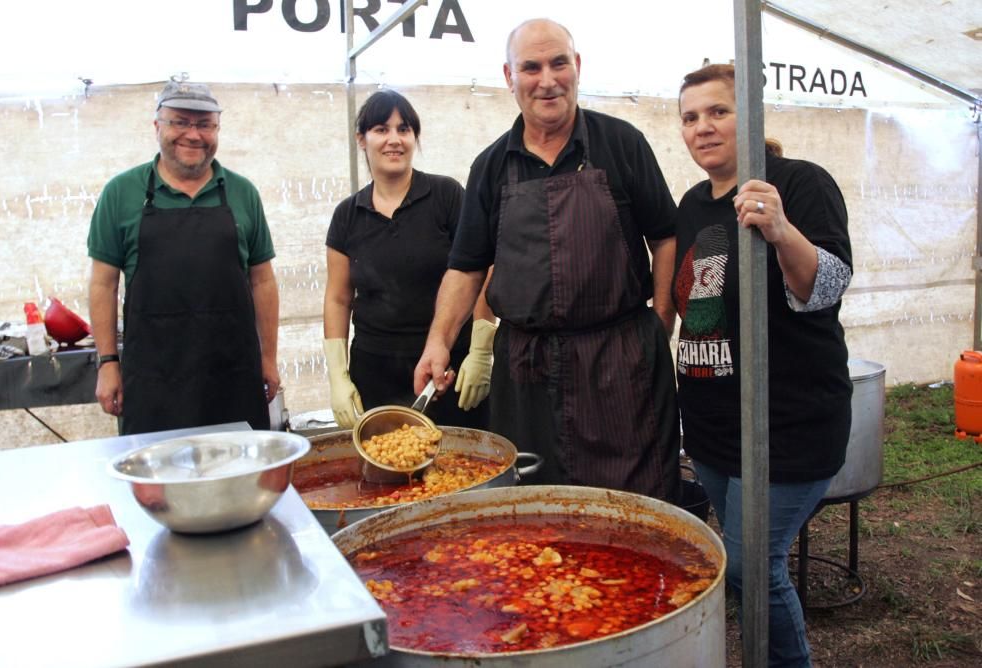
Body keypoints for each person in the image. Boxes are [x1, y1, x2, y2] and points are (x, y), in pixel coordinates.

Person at [414, 18, 680, 502]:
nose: (547, 79)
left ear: (577, 66)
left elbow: (666, 237)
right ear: (509, 77)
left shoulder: (622, 144)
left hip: (619, 365)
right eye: (530, 67)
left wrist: (661, 319)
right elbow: (467, 266)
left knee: (633, 511)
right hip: (526, 373)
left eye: (559, 62)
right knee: (535, 512)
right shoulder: (492, 166)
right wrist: (439, 341)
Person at [674, 64, 853, 667]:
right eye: (691, 117)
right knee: (742, 564)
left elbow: (827, 286)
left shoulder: (799, 183)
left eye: (718, 111)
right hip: (712, 429)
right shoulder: (693, 204)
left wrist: (781, 231)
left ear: (751, 113)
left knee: (753, 566)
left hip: (786, 426)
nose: (703, 127)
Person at [88, 80, 280, 435]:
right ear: (157, 125)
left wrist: (268, 357)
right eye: (180, 121)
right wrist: (108, 362)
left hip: (233, 374)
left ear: (216, 130)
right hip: (152, 379)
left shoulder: (242, 192)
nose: (193, 134)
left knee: (238, 483)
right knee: (158, 488)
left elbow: (262, 280)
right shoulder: (121, 193)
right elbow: (103, 283)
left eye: (205, 124)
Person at [323, 89, 494, 429]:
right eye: (381, 129)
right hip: (374, 372)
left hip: (448, 369)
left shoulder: (446, 196)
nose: (394, 140)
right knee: (387, 470)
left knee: (459, 467)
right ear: (362, 139)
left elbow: (482, 270)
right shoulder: (347, 215)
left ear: (415, 137)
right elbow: (338, 298)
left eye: (404, 129)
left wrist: (481, 350)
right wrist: (338, 376)